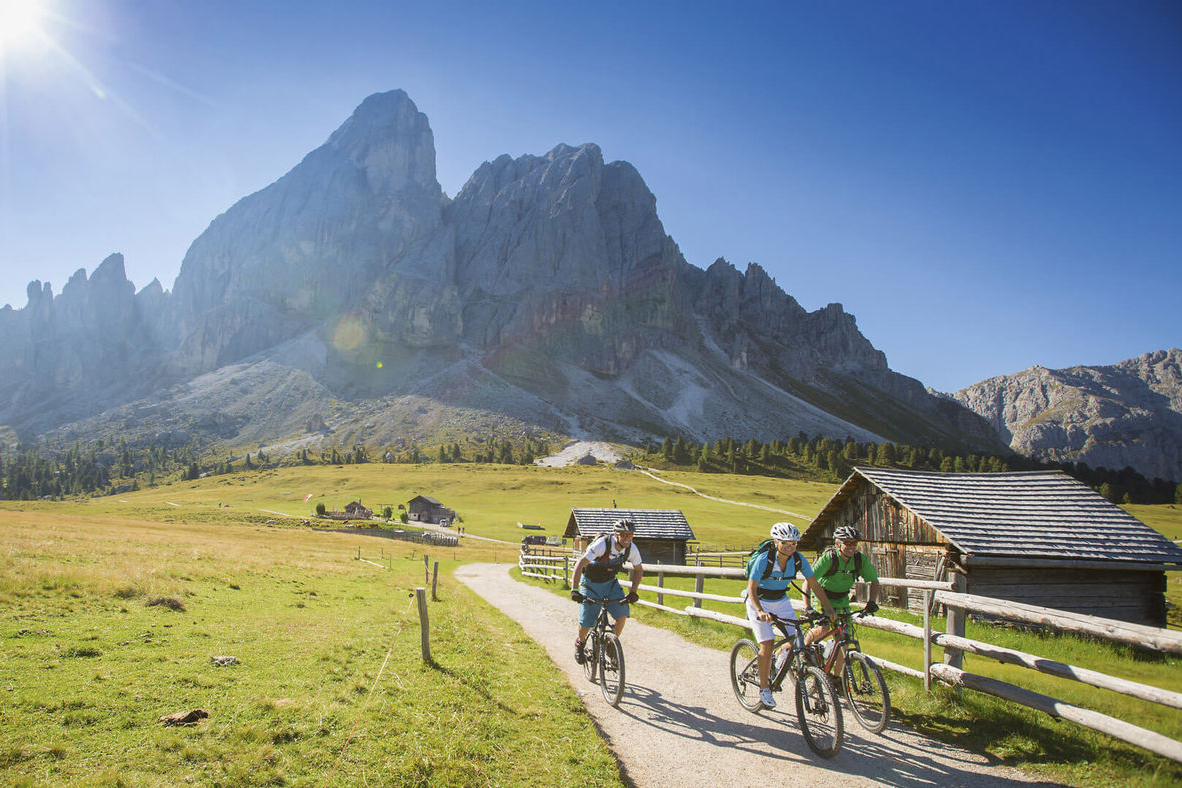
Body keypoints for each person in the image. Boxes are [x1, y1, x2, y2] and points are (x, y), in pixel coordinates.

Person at [745, 522, 837, 709]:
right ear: (776, 542)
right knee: (767, 643)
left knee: (796, 638)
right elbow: (751, 589)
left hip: (781, 600)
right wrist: (761, 611)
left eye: (794, 544)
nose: (790, 547)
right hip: (759, 600)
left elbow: (815, 584)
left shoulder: (798, 559)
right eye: (786, 543)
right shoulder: (764, 559)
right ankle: (764, 689)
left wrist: (828, 608)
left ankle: (778, 659)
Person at [804, 525, 881, 676]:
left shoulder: (860, 559)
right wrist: (807, 607)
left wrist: (871, 602)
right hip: (822, 597)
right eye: (847, 543)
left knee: (844, 641)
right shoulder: (829, 558)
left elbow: (874, 581)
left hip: (842, 599)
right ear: (838, 544)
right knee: (823, 628)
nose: (851, 547)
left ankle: (836, 677)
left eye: (854, 543)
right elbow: (809, 581)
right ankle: (804, 648)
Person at [570, 518, 644, 664]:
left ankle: (611, 645)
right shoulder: (602, 544)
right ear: (616, 535)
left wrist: (633, 592)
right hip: (590, 583)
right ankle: (580, 643)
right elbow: (580, 563)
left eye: (630, 535)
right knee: (586, 623)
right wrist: (574, 589)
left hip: (610, 584)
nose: (627, 538)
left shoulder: (631, 548)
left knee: (622, 615)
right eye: (623, 535)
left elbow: (639, 570)